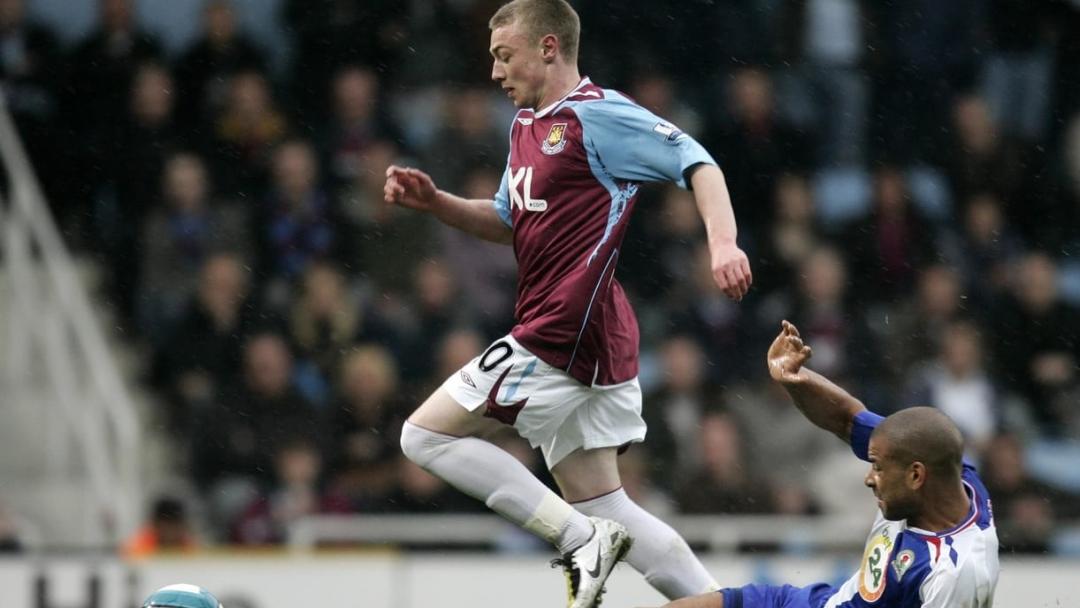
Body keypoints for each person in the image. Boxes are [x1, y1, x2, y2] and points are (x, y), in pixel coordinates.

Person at [384, 1, 752, 607]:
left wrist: (723, 244)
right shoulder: (525, 125)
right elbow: (507, 220)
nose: (496, 73)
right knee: (610, 506)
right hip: (591, 334)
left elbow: (697, 160)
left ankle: (579, 541)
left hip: (564, 329)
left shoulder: (597, 116)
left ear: (549, 47)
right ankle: (713, 601)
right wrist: (437, 203)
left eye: (505, 56)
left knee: (423, 438)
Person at [652, 321, 999, 608]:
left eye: (877, 467)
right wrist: (794, 379)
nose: (869, 478)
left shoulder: (954, 574)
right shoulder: (945, 467)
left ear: (915, 475)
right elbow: (848, 419)